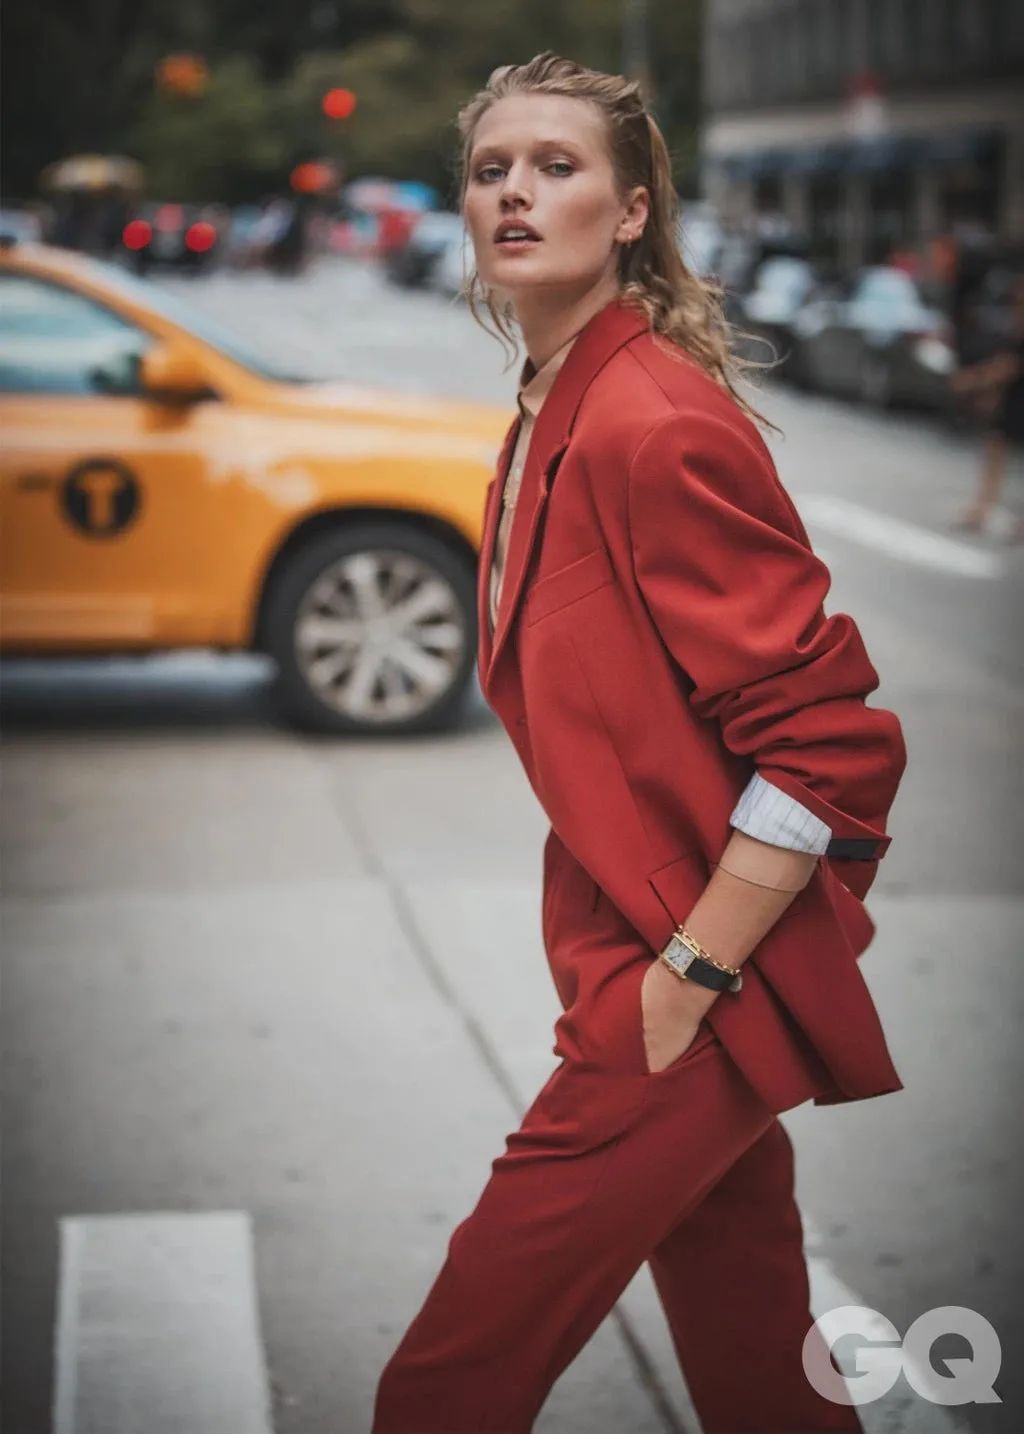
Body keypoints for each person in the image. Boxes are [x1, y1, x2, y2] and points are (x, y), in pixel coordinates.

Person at [373, 53, 907, 1434]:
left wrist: (693, 973)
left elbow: (828, 743)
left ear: (629, 213)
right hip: (635, 951)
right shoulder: (549, 408)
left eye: (556, 167)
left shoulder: (651, 424)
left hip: (692, 983)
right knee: (753, 1347)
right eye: (491, 169)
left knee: (444, 1385)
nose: (513, 192)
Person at [949, 271, 1024, 540]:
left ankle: (981, 510)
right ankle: (980, 509)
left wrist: (971, 381)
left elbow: (1007, 367)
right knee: (995, 452)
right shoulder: (1015, 328)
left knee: (996, 452)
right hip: (1014, 400)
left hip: (1018, 402)